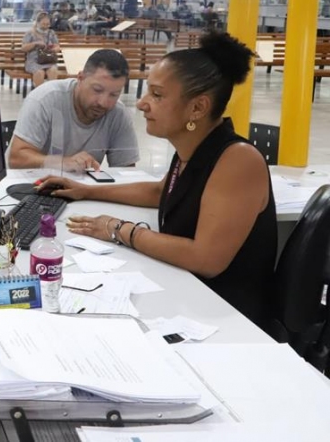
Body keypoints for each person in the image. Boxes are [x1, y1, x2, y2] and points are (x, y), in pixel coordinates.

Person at [43, 32, 276, 330]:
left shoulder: (238, 160)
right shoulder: (193, 150)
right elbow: (160, 191)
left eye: (157, 95)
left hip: (226, 319)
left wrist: (118, 229)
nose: (142, 104)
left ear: (198, 108)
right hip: (190, 296)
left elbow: (206, 258)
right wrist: (86, 191)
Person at [8, 49, 139, 171]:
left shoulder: (118, 113)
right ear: (80, 78)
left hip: (80, 191)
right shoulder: (45, 99)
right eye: (97, 90)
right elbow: (16, 159)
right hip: (27, 186)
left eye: (114, 94)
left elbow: (126, 174)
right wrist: (63, 163)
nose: (103, 103)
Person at [22, 11, 61, 87]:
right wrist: (35, 43)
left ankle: (51, 93)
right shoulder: (30, 33)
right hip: (34, 61)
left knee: (53, 71)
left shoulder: (51, 33)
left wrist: (53, 49)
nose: (46, 26)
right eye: (43, 24)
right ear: (38, 23)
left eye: (47, 24)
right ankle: (39, 93)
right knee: (39, 73)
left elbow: (57, 46)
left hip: (48, 59)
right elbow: (23, 48)